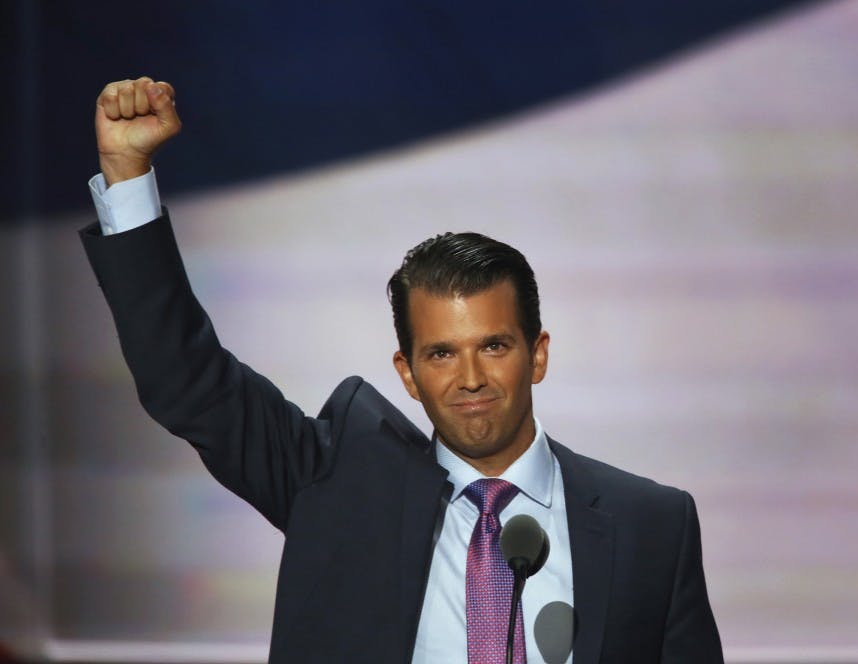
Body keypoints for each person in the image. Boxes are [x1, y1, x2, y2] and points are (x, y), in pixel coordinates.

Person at [81, 77, 724, 663]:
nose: (469, 377)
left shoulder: (651, 527)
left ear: (539, 354)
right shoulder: (333, 486)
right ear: (408, 373)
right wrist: (127, 172)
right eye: (441, 354)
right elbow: (186, 380)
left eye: (494, 346)